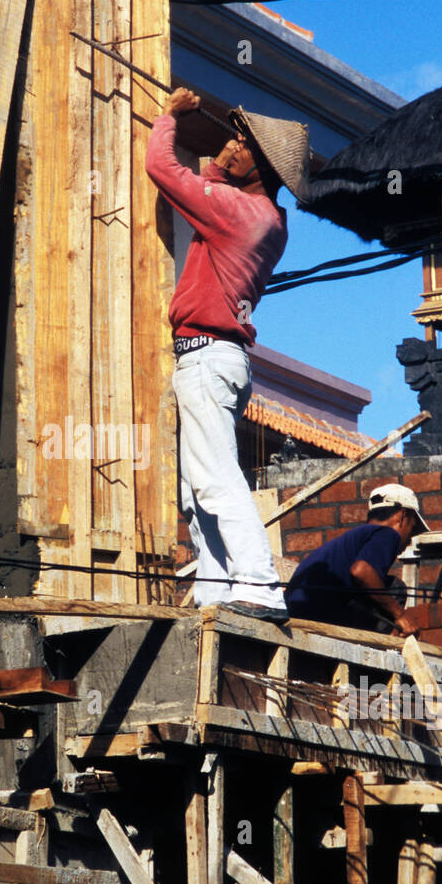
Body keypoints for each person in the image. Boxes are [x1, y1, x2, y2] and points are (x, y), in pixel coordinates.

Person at [145, 87, 310, 622]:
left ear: (258, 164)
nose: (229, 146)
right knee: (199, 490)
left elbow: (163, 170)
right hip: (221, 361)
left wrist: (168, 118)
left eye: (240, 143)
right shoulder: (266, 218)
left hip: (206, 358)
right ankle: (217, 591)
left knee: (214, 480)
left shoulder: (236, 213)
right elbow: (209, 191)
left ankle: (260, 584)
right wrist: (220, 166)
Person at [284, 484, 428, 636]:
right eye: (412, 529)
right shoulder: (388, 533)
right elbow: (361, 571)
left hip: (296, 613)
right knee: (395, 588)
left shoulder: (354, 537)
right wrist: (399, 614)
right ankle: (381, 648)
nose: (408, 541)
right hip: (319, 615)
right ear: (402, 516)